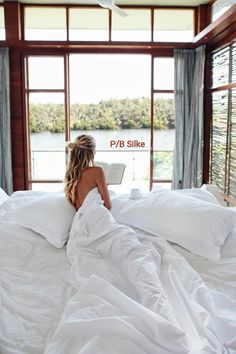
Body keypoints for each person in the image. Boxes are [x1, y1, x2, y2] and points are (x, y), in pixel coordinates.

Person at [64, 134, 111, 211]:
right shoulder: (97, 171)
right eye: (95, 148)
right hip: (96, 219)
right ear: (91, 152)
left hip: (79, 221)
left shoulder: (71, 174)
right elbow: (108, 206)